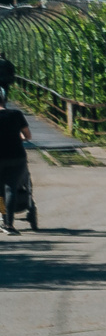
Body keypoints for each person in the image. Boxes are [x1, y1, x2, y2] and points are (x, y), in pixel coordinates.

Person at [0, 90, 32, 234]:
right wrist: (17, 136)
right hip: (16, 157)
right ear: (4, 100)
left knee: (0, 192)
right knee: (10, 188)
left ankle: (2, 217)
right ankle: (9, 224)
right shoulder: (16, 114)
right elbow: (28, 136)